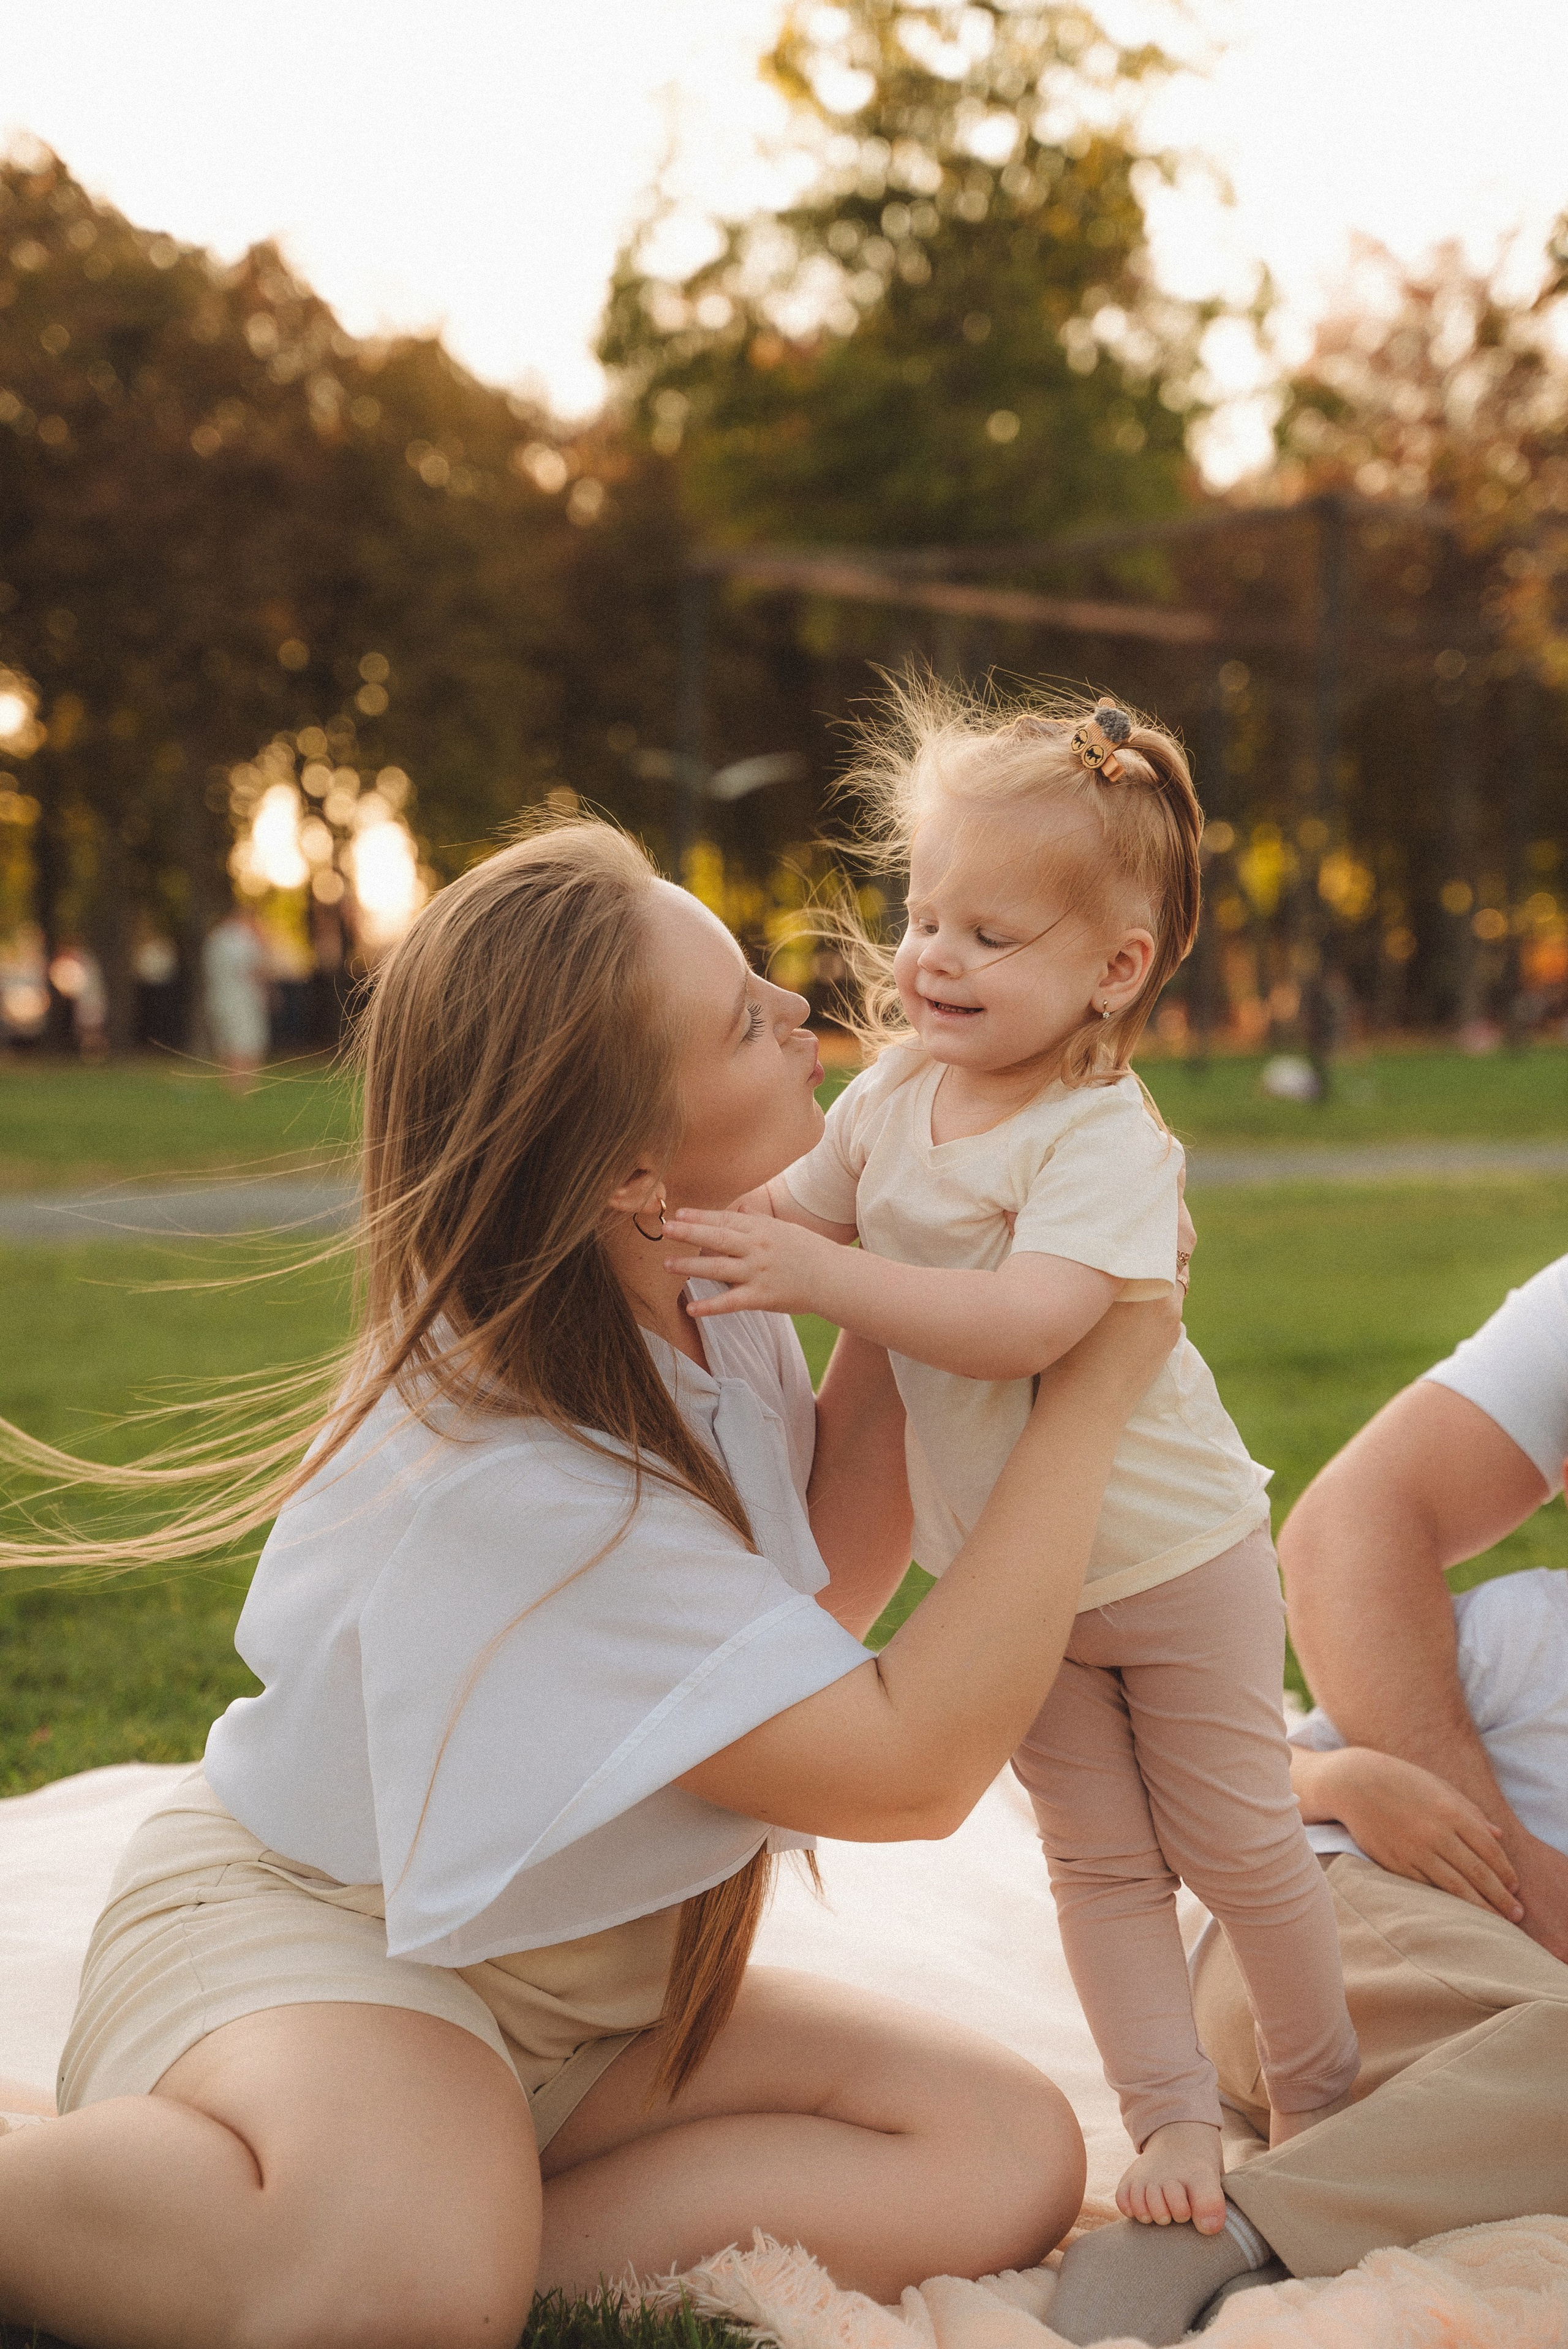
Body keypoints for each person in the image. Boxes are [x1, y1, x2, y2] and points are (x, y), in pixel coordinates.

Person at [0, 818, 1181, 2349]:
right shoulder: (520, 1475)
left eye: (765, 982)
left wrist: (915, 1273)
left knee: (1004, 2147)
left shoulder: (707, 1276)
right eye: (744, 1021)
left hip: (577, 2005)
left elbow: (814, 1584)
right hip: (328, 1941)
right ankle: (307, 2212)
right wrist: (1086, 1390)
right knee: (405, 2291)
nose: (803, 1018)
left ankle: (447, 2215)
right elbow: (904, 1767)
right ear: (629, 1164)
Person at [665, 685, 1357, 2239]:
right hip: (1012, 1576)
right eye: (923, 916)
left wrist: (823, 1282)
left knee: (1237, 1839)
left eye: (986, 933)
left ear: (1111, 970)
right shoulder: (894, 1095)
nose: (929, 958)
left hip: (1171, 1559)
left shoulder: (1097, 1135)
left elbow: (1032, 1322)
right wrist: (690, 1220)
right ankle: (1169, 2111)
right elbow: (798, 1210)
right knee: (1098, 1861)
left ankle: (1315, 2083)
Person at [1046, 1257, 1568, 2345]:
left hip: (1485, 2054)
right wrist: (1339, 1776)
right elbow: (1224, 1766)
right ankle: (1224, 2235)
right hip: (1326, 1937)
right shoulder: (1530, 1638)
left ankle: (1282, 2235)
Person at [202, 903, 270, 1091]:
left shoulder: (215, 938)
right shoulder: (244, 939)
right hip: (242, 999)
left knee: (226, 1043)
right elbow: (256, 968)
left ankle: (229, 1086)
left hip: (217, 997)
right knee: (245, 1043)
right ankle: (243, 1088)